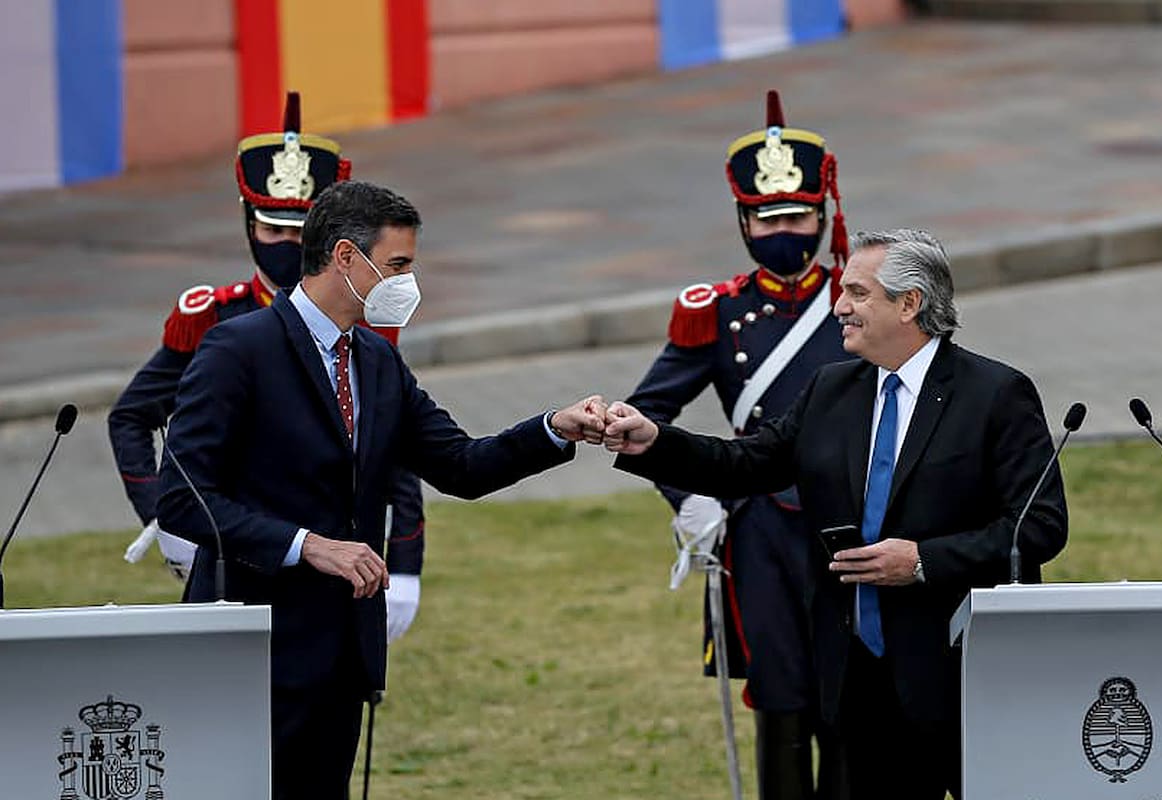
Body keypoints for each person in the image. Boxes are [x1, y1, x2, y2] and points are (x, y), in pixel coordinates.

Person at [156, 179, 607, 799]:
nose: (407, 282)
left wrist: (554, 428)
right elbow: (181, 498)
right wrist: (305, 544)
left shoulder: (376, 359)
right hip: (255, 652)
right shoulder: (239, 348)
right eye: (397, 265)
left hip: (343, 654)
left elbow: (461, 465)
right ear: (345, 257)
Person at [605, 228, 1069, 799]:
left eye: (857, 293)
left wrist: (922, 560)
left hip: (962, 671)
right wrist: (655, 441)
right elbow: (747, 464)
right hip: (859, 674)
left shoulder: (995, 393)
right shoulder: (831, 389)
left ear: (909, 303)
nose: (839, 307)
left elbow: (1039, 526)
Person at [108, 93, 424, 640]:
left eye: (301, 232)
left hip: (334, 563)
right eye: (273, 229)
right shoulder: (215, 320)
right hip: (235, 555)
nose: (287, 245)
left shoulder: (366, 326)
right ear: (248, 224)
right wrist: (164, 518)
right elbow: (133, 417)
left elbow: (395, 450)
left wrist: (405, 560)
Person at [623, 90, 848, 799]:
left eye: (798, 216)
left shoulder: (857, 299)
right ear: (744, 222)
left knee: (851, 693)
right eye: (769, 218)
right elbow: (643, 416)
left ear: (823, 216)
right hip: (763, 529)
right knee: (781, 695)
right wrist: (689, 497)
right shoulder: (718, 313)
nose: (785, 231)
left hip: (856, 518)